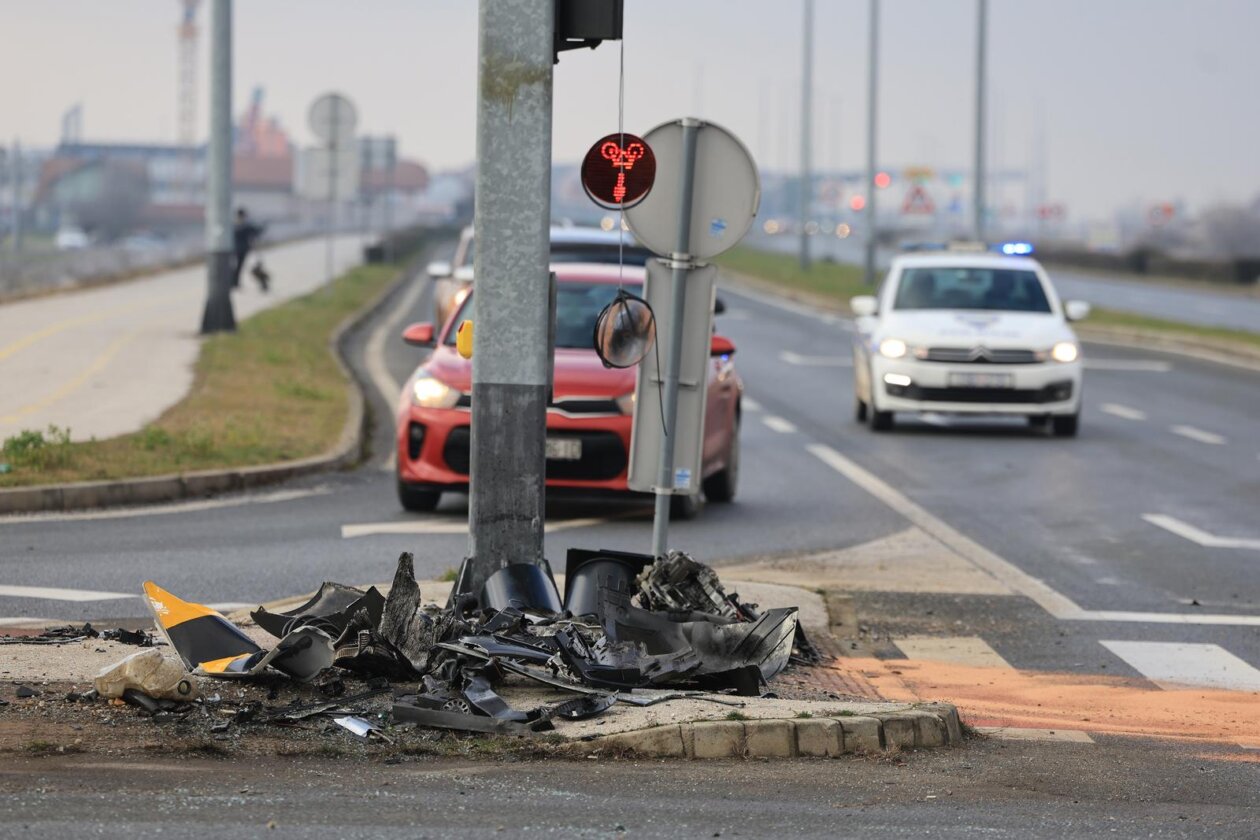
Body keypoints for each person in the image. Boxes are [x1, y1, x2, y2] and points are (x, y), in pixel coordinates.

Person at [231, 208, 264, 289]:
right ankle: (234, 282)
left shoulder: (234, 225)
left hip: (234, 249)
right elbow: (256, 232)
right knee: (239, 266)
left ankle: (234, 282)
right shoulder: (245, 225)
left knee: (237, 266)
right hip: (242, 249)